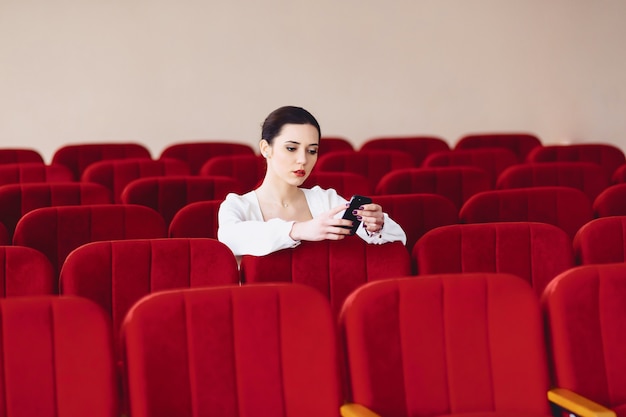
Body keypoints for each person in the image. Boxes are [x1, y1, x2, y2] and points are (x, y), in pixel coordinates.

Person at [217, 105, 406, 257]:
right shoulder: (237, 205)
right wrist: (298, 230)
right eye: (291, 148)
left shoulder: (325, 200)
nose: (303, 160)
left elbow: (399, 239)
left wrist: (376, 225)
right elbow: (229, 239)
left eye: (312, 150)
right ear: (266, 148)